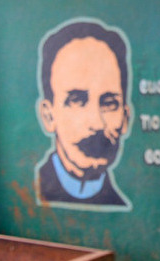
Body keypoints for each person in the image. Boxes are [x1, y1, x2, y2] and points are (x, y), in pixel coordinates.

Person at [34, 18, 132, 211]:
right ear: (49, 116)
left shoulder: (118, 203)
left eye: (109, 104)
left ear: (125, 118)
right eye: (77, 101)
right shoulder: (31, 193)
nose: (96, 123)